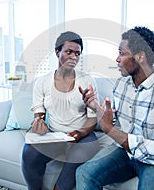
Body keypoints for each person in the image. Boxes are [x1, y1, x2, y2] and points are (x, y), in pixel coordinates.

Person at [77, 26, 154, 190]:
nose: (117, 59)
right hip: (123, 152)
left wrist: (109, 129)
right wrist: (95, 107)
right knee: (83, 173)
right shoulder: (121, 84)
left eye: (122, 53)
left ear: (140, 57)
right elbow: (115, 123)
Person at [21, 31, 100, 190]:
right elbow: (39, 114)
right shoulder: (42, 82)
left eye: (77, 53)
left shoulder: (87, 80)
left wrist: (81, 133)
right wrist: (39, 122)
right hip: (55, 135)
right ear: (57, 52)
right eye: (68, 52)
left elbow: (93, 118)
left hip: (83, 135)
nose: (74, 57)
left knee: (79, 153)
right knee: (29, 153)